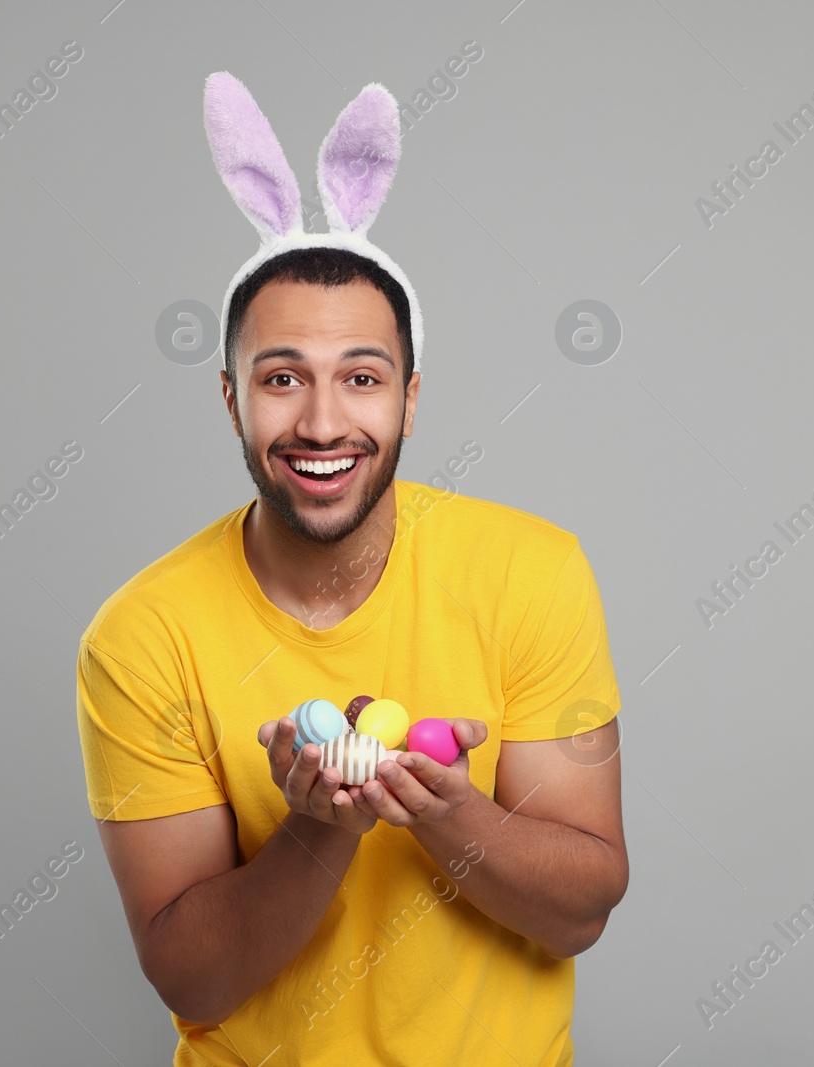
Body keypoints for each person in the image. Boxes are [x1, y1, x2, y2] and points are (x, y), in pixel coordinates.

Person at [74, 73, 626, 1066]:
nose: (323, 423)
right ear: (231, 401)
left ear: (410, 398)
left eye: (361, 378)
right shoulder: (141, 633)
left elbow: (581, 907)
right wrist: (319, 825)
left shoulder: (531, 572)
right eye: (281, 377)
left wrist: (447, 811)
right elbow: (190, 975)